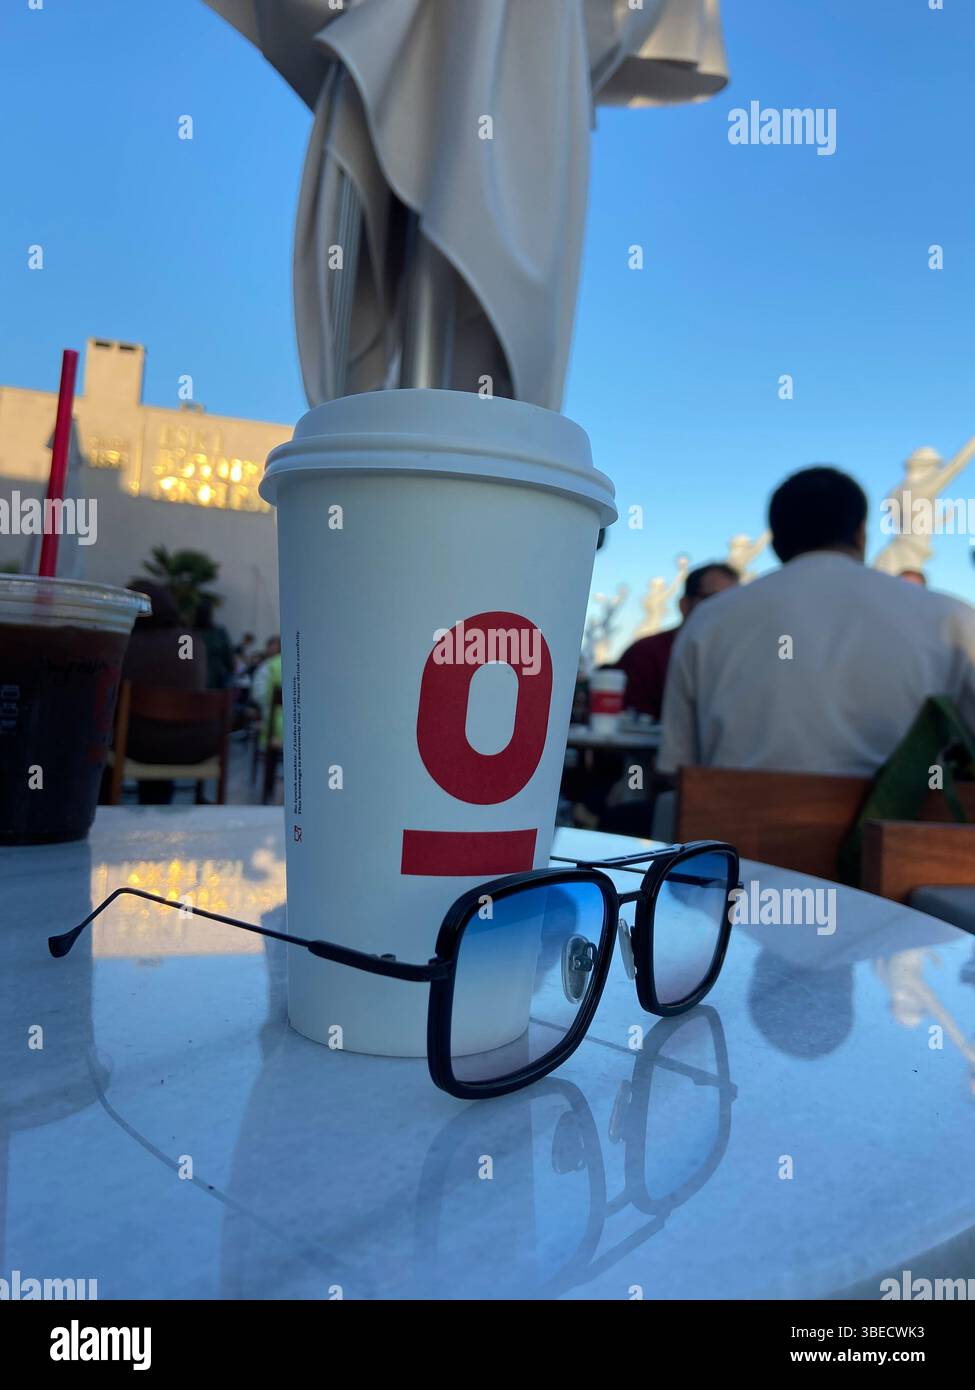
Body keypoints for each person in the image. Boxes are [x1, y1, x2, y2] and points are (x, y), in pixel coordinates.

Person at [658, 466, 975, 778]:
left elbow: (674, 766)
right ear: (861, 533)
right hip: (897, 829)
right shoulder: (952, 619)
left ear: (775, 542)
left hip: (727, 827)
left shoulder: (709, 620)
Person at [615, 563, 738, 719]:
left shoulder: (738, 658)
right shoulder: (646, 654)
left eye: (733, 602)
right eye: (714, 600)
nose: (726, 609)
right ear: (685, 605)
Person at [250, 635, 283, 748]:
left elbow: (257, 695)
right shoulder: (303, 665)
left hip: (274, 731)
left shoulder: (267, 667)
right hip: (305, 732)